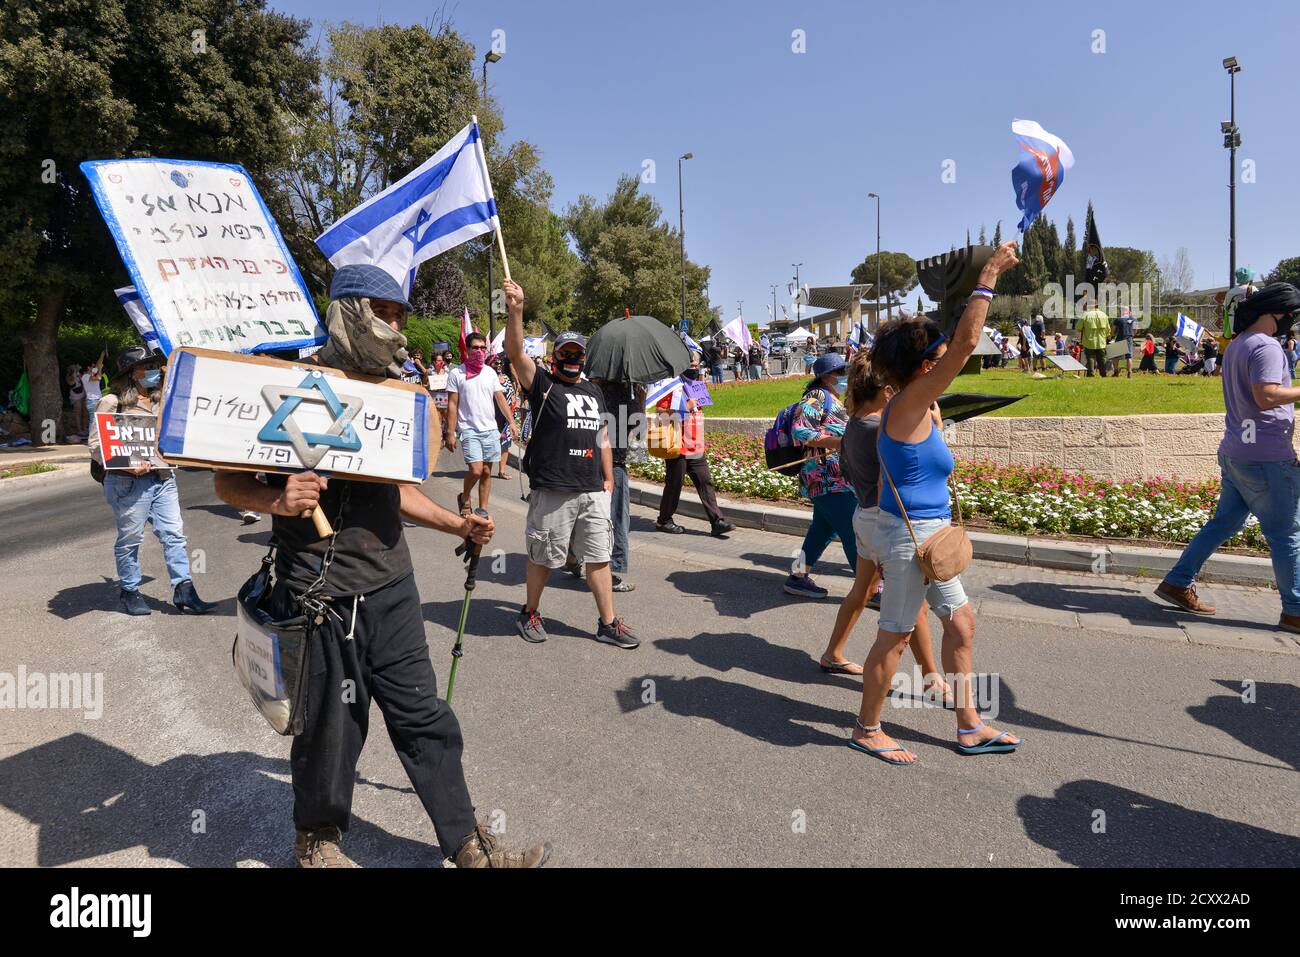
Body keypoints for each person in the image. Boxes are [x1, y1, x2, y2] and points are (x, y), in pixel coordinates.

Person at [214, 263, 550, 868]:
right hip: (316, 593)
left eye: (399, 314)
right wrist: (276, 499)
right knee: (329, 726)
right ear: (346, 313)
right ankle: (316, 843)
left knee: (424, 715)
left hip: (391, 587)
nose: (393, 326)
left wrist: (458, 523)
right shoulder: (286, 382)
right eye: (381, 312)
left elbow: (396, 489)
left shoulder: (393, 396)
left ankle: (470, 847)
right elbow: (225, 480)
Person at [850, 240, 1023, 766]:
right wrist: (989, 272)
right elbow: (968, 342)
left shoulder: (921, 408)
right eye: (937, 354)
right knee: (896, 638)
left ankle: (969, 725)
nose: (947, 357)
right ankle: (866, 728)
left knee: (962, 623)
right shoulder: (907, 404)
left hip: (931, 536)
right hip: (910, 540)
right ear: (923, 365)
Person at [1155, 283, 1300, 633]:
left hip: (1237, 451)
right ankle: (1295, 611)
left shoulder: (1238, 345)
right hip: (1266, 456)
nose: (1293, 321)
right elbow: (1266, 396)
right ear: (1277, 313)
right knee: (1286, 534)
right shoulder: (1266, 346)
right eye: (1292, 314)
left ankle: (1178, 581)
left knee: (1225, 523)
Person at [503, 279, 638, 649]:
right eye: (566, 352)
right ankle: (529, 612)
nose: (573, 358)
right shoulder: (543, 384)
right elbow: (515, 353)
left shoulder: (593, 391)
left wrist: (609, 478)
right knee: (544, 556)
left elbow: (604, 437)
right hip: (553, 489)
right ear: (556, 356)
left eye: (578, 352)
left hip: (592, 490)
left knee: (598, 557)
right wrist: (516, 310)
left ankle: (607, 624)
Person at [817, 350, 952, 707]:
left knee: (861, 591)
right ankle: (931, 679)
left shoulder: (856, 421)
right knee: (915, 606)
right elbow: (919, 468)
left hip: (864, 516)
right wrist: (936, 429)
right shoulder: (882, 429)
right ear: (888, 391)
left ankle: (833, 652)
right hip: (888, 521)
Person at [90, 346, 215, 617]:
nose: (153, 371)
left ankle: (185, 590)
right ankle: (130, 590)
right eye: (146, 366)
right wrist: (128, 464)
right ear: (132, 372)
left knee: (174, 535)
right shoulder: (112, 402)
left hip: (163, 477)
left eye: (155, 366)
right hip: (128, 483)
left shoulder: (163, 399)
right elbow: (96, 445)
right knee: (131, 539)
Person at [783, 353, 857, 599]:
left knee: (822, 530)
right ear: (826, 377)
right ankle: (871, 589)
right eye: (840, 372)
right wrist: (837, 442)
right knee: (852, 530)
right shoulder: (817, 396)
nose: (845, 376)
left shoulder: (834, 397)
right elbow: (800, 429)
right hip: (825, 476)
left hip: (834, 477)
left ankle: (797, 577)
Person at [654, 353, 736, 539]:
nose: (694, 368)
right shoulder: (673, 386)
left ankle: (717, 522)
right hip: (677, 446)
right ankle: (663, 520)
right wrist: (686, 406)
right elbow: (660, 412)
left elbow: (700, 409)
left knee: (705, 482)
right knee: (674, 485)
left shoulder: (698, 385)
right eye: (691, 364)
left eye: (697, 364)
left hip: (696, 445)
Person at [444, 332, 515, 515]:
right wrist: (450, 432)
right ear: (467, 349)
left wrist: (512, 422)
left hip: (491, 429)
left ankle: (483, 509)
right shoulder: (456, 373)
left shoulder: (490, 372)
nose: (480, 351)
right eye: (475, 347)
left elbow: (500, 398)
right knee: (475, 470)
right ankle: (465, 497)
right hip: (469, 429)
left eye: (483, 348)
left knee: (485, 472)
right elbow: (452, 404)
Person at [597, 375, 642, 592]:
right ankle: (612, 570)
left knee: (587, 516)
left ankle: (573, 555)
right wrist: (640, 399)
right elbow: (638, 428)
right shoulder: (627, 393)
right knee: (616, 518)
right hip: (614, 462)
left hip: (588, 462)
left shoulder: (591, 391)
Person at [492, 355, 520, 481]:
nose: (498, 365)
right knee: (491, 444)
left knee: (505, 444)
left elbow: (512, 396)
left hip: (506, 418)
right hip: (492, 416)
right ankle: (485, 470)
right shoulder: (488, 379)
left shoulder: (507, 379)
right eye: (495, 363)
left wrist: (513, 415)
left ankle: (501, 471)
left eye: (500, 363)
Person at [1078, 299, 1112, 377]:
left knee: (1090, 358)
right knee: (1102, 358)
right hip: (1101, 342)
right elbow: (1108, 330)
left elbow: (1078, 328)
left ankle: (1091, 374)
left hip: (1089, 341)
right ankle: (1104, 374)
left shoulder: (1085, 315)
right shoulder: (1104, 315)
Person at [82, 348, 106, 419]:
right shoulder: (85, 376)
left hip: (97, 400)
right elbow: (99, 378)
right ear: (88, 368)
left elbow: (98, 364)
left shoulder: (93, 373)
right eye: (92, 366)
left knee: (97, 421)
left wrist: (102, 354)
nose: (94, 367)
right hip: (92, 401)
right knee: (93, 421)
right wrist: (100, 369)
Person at [1115, 307, 1137, 378]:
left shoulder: (1118, 319)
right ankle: (1129, 372)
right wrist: (1132, 335)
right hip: (1129, 338)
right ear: (1129, 312)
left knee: (1115, 356)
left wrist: (1111, 336)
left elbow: (1113, 329)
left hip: (1119, 338)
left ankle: (1116, 372)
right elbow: (1135, 330)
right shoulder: (1133, 319)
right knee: (1129, 356)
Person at [66, 364, 86, 439]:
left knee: (85, 412)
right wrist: (74, 371)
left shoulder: (79, 375)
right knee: (78, 412)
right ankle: (79, 430)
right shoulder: (69, 377)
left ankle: (84, 429)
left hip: (83, 395)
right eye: (74, 370)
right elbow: (72, 379)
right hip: (76, 397)